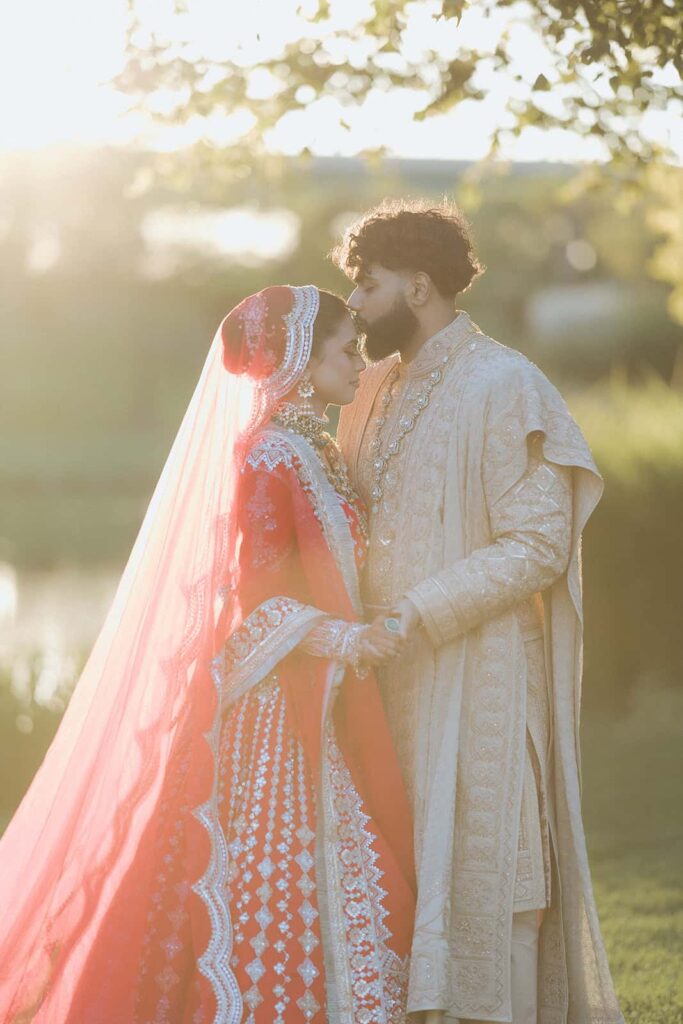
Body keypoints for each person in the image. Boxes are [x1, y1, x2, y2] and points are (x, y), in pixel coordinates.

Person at [0, 284, 415, 1023]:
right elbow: (259, 598)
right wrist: (345, 637)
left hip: (322, 690)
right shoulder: (267, 454)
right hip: (275, 707)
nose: (359, 362)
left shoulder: (311, 445)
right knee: (276, 870)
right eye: (345, 350)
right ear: (297, 357)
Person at [333, 200, 625, 1024]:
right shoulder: (376, 390)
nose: (355, 304)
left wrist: (418, 613)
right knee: (397, 879)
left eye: (368, 284)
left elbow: (538, 543)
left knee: (490, 883)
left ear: (419, 286)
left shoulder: (503, 384)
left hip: (476, 674)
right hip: (381, 678)